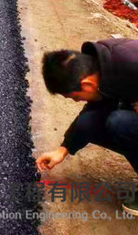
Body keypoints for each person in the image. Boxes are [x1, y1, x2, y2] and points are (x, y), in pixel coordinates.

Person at [36, 38, 138, 216]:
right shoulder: (103, 66)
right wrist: (63, 150)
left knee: (120, 122)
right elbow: (95, 108)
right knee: (88, 122)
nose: (78, 101)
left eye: (76, 97)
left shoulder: (131, 65)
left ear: (87, 85)